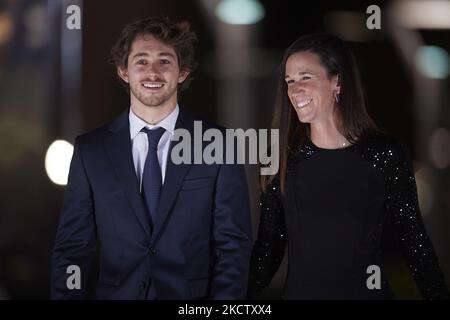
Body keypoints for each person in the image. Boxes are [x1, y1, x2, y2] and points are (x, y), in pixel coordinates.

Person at [51, 17, 252, 300]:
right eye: (141, 61)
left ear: (182, 72)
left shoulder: (219, 145)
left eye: (165, 61)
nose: (153, 72)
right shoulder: (90, 151)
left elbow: (233, 248)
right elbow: (73, 248)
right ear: (124, 71)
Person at [248, 33, 449, 299]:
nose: (295, 90)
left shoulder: (385, 154)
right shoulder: (280, 159)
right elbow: (267, 251)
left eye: (306, 78)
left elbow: (414, 243)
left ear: (337, 82)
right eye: (290, 81)